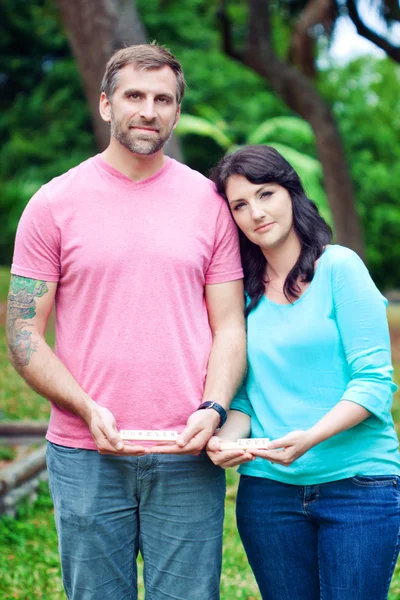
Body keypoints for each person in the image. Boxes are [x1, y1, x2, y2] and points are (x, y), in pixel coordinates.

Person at [6, 44, 246, 600]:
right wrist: (87, 409)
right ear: (106, 105)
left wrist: (213, 410)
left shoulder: (208, 203)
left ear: (177, 112)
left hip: (186, 452)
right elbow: (23, 334)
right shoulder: (52, 204)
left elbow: (230, 326)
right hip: (85, 452)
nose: (149, 110)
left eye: (164, 99)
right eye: (134, 95)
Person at [207, 145, 400, 600]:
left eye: (266, 194)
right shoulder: (243, 297)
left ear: (291, 193)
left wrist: (308, 438)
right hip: (268, 498)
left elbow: (373, 382)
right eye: (240, 204)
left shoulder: (340, 268)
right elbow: (249, 401)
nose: (256, 212)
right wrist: (225, 440)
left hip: (358, 487)